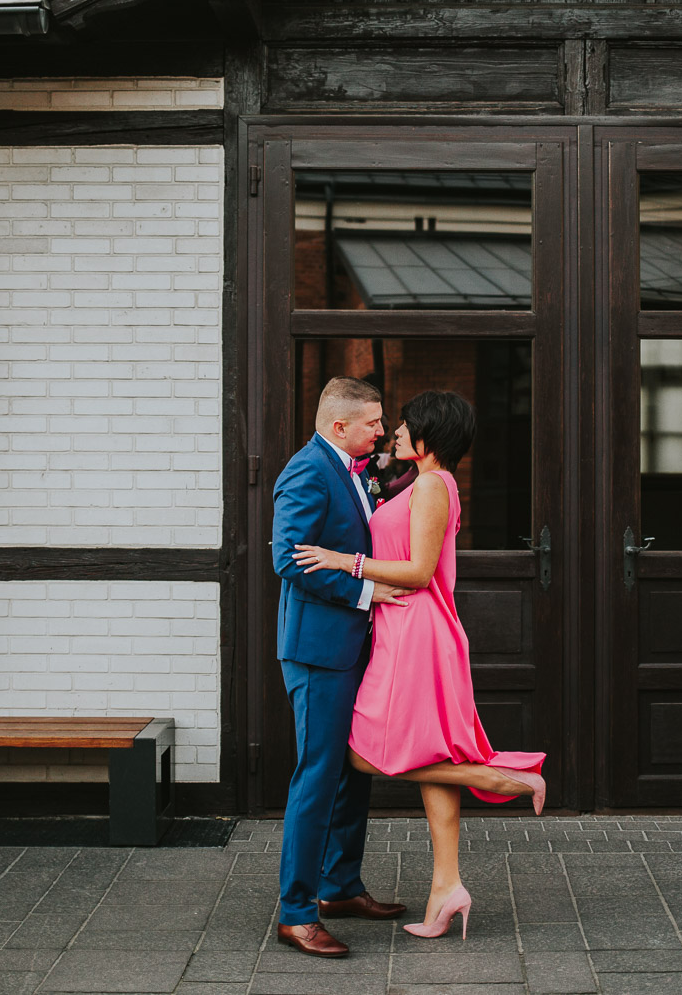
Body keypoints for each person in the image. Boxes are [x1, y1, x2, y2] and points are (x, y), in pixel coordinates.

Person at [292, 390, 546, 943]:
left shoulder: (433, 485)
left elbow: (418, 570)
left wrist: (345, 561)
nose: (393, 433)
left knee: (361, 756)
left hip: (416, 629)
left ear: (430, 436)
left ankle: (507, 779)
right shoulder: (420, 482)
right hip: (401, 627)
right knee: (429, 755)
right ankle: (446, 889)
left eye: (404, 426)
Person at [271, 377, 414, 959]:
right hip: (318, 653)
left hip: (355, 650)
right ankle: (297, 912)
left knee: (354, 771)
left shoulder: (354, 470)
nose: (382, 432)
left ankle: (340, 886)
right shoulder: (307, 472)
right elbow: (289, 558)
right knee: (318, 774)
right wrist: (367, 594)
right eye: (374, 423)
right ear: (339, 427)